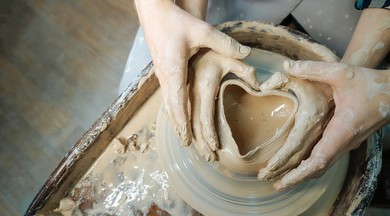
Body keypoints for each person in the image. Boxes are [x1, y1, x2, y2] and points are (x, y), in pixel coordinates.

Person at [125, 0, 390, 190]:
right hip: (215, 6)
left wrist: (355, 74)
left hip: (357, 18)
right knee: (154, 90)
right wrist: (162, 13)